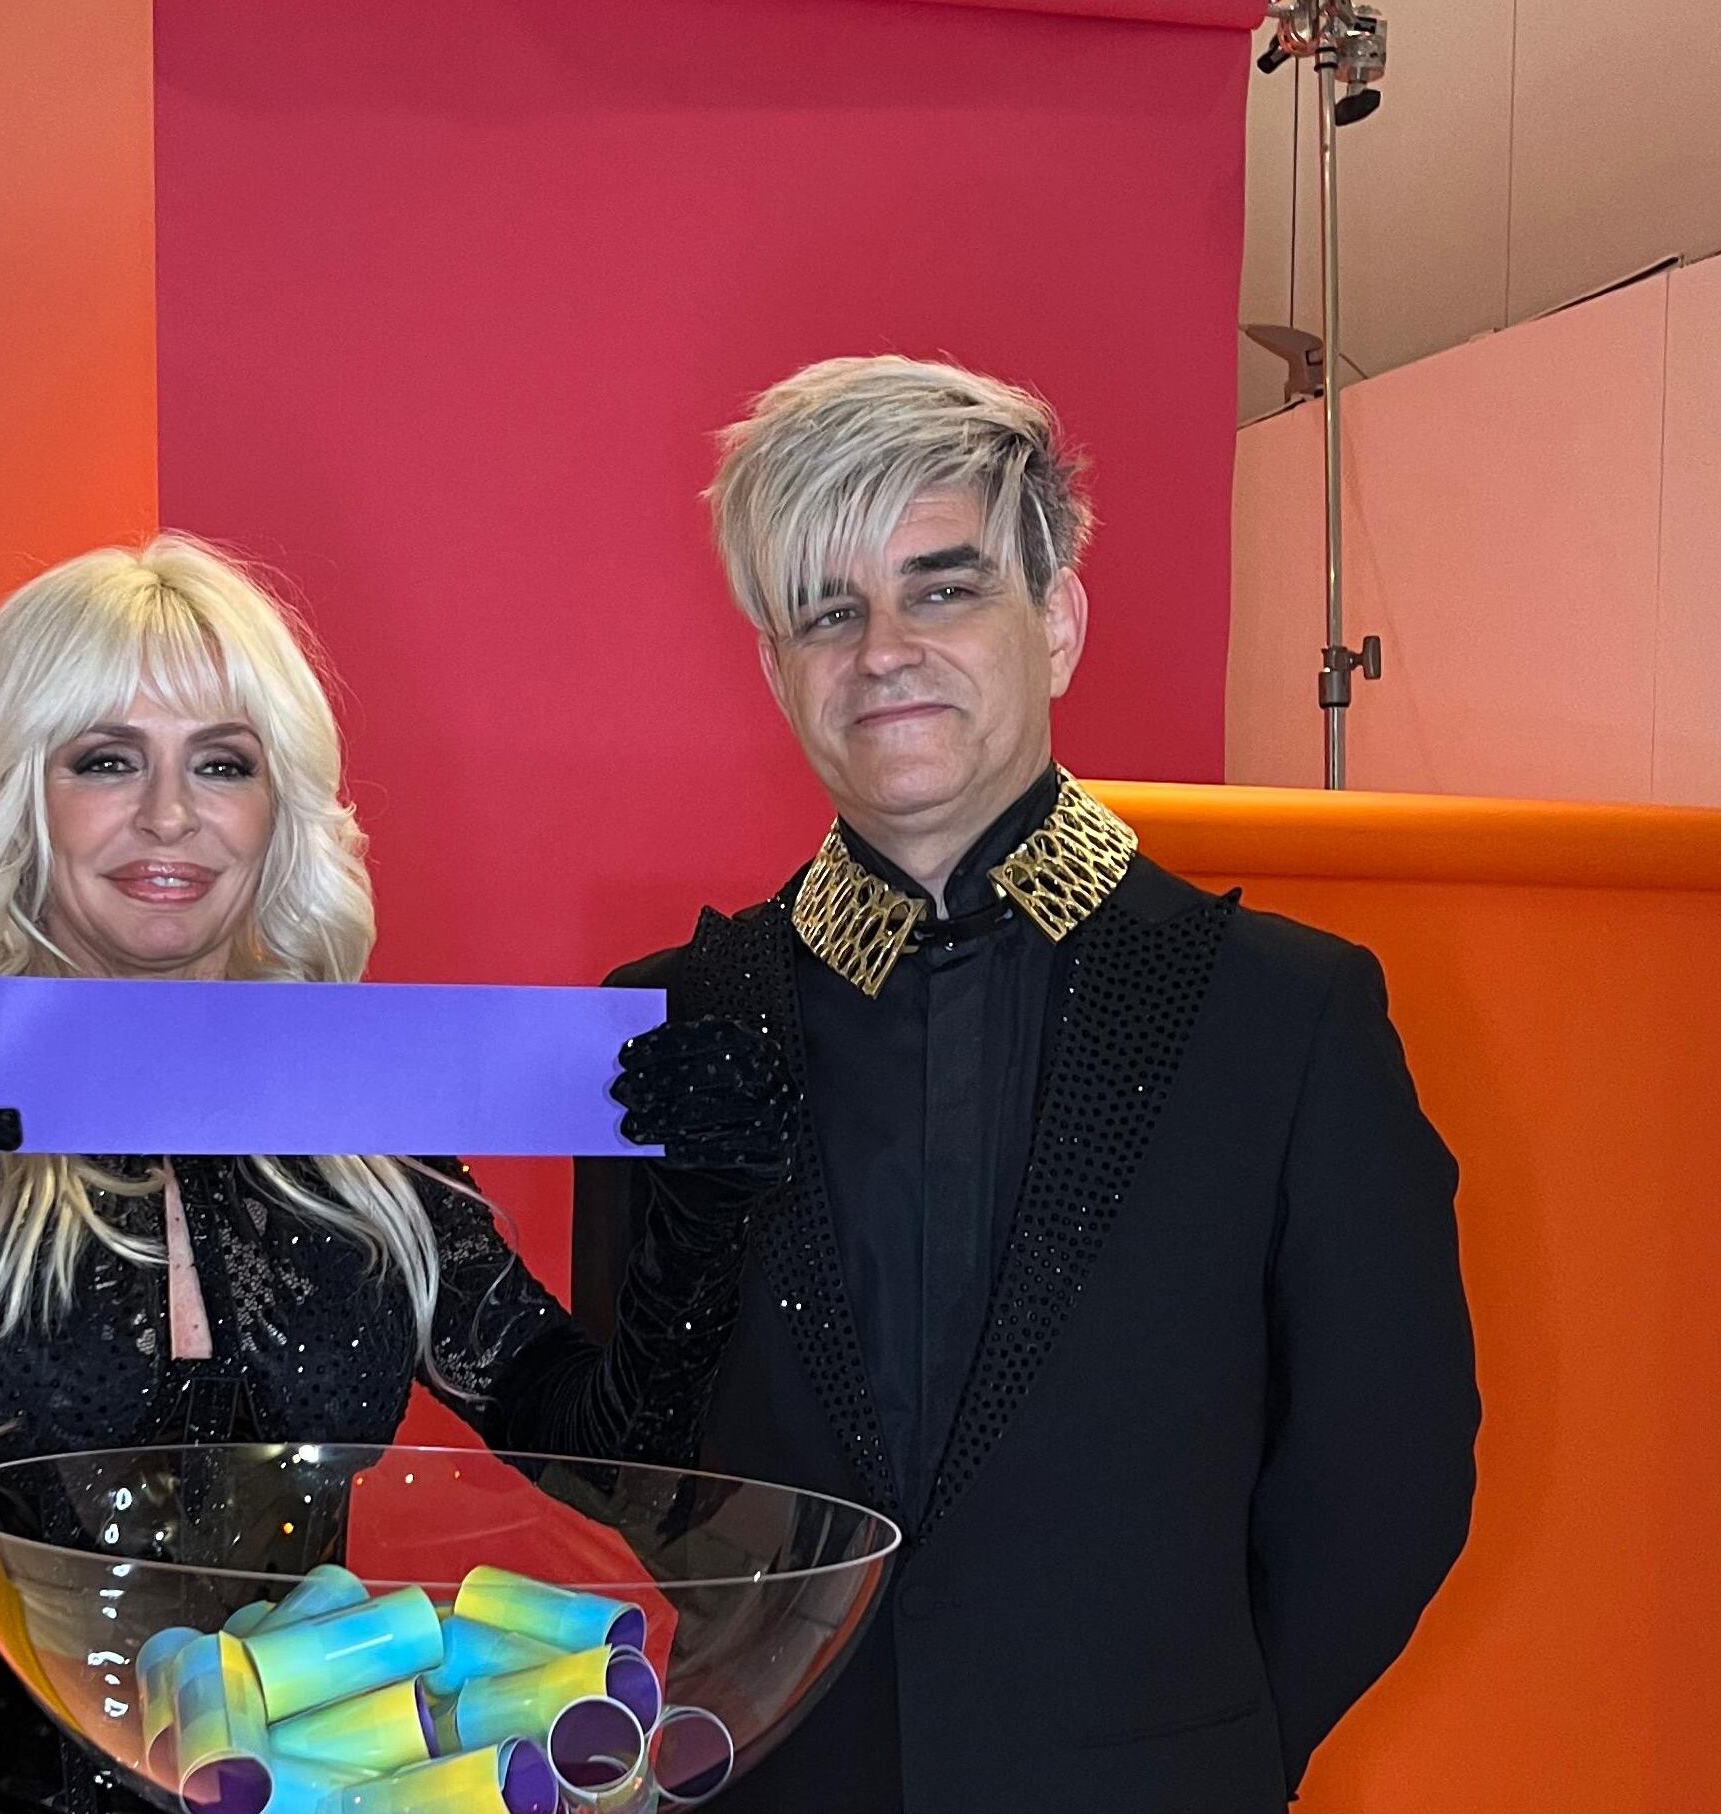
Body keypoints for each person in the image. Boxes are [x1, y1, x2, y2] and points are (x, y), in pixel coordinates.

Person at [0, 536, 770, 1814]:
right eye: (105, 759)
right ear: (15, 789)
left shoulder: (359, 1106)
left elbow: (614, 1464)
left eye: (222, 763)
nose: (169, 814)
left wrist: (700, 1211)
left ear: (278, 807)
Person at [574, 357, 1480, 1813]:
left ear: (1054, 620)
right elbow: (639, 1463)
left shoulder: (1286, 1016)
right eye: (826, 610)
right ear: (776, 669)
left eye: (941, 589)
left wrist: (1199, 1746)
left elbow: (1389, 1470)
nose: (883, 651)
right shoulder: (662, 1026)